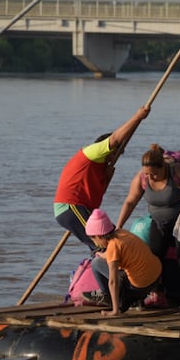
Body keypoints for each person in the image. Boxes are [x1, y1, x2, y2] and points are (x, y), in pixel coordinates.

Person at [116, 144, 180, 316]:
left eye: (154, 173)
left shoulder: (178, 172)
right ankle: (158, 294)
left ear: (164, 166)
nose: (150, 176)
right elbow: (130, 201)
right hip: (158, 223)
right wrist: (119, 226)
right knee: (153, 257)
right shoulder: (142, 178)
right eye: (147, 173)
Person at [54, 106, 150, 252]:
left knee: (110, 238)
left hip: (82, 208)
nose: (114, 157)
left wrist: (107, 178)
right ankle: (109, 272)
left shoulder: (100, 169)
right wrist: (137, 117)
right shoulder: (91, 152)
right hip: (71, 206)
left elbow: (96, 197)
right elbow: (116, 138)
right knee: (104, 244)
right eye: (115, 153)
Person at [81, 208, 162, 317]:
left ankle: (110, 298)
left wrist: (115, 311)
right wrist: (102, 255)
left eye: (93, 239)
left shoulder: (113, 247)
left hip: (139, 286)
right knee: (122, 265)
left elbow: (113, 282)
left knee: (96, 264)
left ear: (99, 236)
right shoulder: (122, 234)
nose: (95, 243)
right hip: (155, 278)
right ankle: (138, 300)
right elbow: (121, 255)